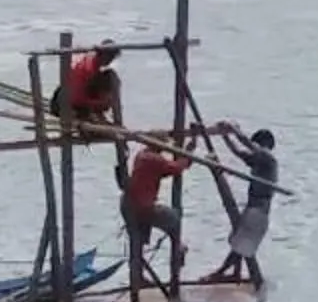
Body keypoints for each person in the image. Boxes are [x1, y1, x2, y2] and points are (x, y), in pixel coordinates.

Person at [205, 122, 282, 287]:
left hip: (259, 208)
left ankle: (221, 272)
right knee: (239, 242)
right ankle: (229, 272)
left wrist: (234, 130)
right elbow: (238, 152)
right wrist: (225, 136)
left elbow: (246, 143)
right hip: (254, 206)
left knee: (240, 244)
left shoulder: (268, 158)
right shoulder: (259, 161)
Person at [121, 143, 188, 278]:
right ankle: (178, 247)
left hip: (130, 205)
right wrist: (187, 156)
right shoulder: (154, 159)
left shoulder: (141, 156)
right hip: (142, 207)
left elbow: (164, 171)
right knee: (175, 219)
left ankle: (137, 277)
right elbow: (176, 168)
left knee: (137, 242)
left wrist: (186, 154)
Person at [52, 43, 123, 128]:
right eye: (111, 58)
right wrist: (100, 104)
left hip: (64, 99)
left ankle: (94, 115)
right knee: (109, 78)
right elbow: (77, 98)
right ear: (105, 56)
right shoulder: (89, 69)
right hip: (64, 106)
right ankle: (92, 117)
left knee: (110, 76)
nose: (111, 61)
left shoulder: (91, 62)